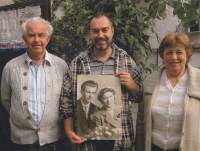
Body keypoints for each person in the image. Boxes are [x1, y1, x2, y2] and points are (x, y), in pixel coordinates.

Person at [60, 14, 143, 151]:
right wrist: (69, 131)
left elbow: (140, 97)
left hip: (120, 142)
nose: (100, 35)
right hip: (87, 141)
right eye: (95, 31)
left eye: (104, 30)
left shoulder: (126, 61)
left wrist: (132, 86)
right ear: (89, 33)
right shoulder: (78, 63)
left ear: (112, 31)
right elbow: (66, 100)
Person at [1, 17, 68, 151]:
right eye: (31, 35)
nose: (36, 40)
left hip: (54, 140)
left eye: (41, 35)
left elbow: (66, 100)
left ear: (48, 39)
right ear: (24, 38)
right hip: (21, 142)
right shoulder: (10, 67)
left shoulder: (61, 66)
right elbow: (6, 99)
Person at [135, 33, 200, 151]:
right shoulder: (151, 81)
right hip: (155, 147)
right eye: (169, 52)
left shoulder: (198, 80)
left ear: (187, 55)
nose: (174, 57)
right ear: (162, 55)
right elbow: (141, 120)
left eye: (179, 52)